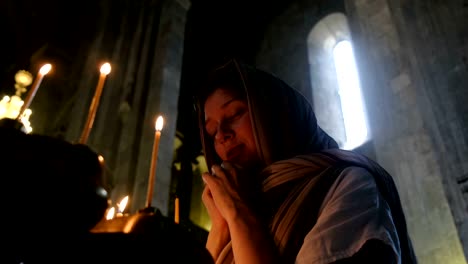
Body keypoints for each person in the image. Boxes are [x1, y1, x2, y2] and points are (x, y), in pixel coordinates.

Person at [195, 59, 417, 264]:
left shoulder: (346, 184)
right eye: (212, 131)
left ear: (273, 113)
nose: (221, 135)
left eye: (234, 114)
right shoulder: (238, 205)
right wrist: (221, 228)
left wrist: (238, 215)